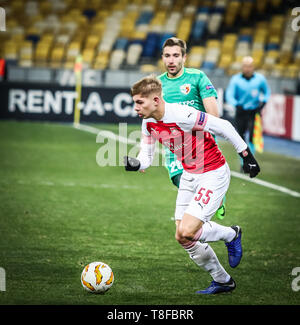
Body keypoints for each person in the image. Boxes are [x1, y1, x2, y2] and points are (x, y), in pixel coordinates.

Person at [124, 75, 260, 294]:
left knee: (188, 230)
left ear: (156, 100)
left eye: (140, 102)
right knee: (183, 236)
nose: (135, 107)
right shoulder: (148, 122)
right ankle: (223, 280)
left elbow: (222, 126)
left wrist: (246, 155)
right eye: (135, 102)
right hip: (190, 173)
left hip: (213, 173)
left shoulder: (182, 114)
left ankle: (231, 235)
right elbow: (147, 155)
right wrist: (137, 163)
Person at [158, 37, 225, 219]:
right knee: (180, 181)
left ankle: (215, 204)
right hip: (175, 149)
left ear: (184, 58)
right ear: (162, 58)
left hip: (202, 147)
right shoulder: (157, 84)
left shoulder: (197, 77)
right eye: (167, 56)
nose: (171, 60)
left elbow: (214, 115)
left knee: (194, 210)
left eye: (175, 55)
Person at [225, 56, 271, 169]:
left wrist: (263, 103)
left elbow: (267, 92)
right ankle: (242, 162)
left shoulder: (260, 79)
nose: (247, 69)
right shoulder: (236, 79)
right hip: (241, 112)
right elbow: (229, 94)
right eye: (245, 66)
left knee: (251, 137)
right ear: (242, 67)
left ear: (253, 67)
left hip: (254, 112)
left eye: (249, 66)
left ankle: (250, 162)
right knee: (240, 138)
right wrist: (236, 104)